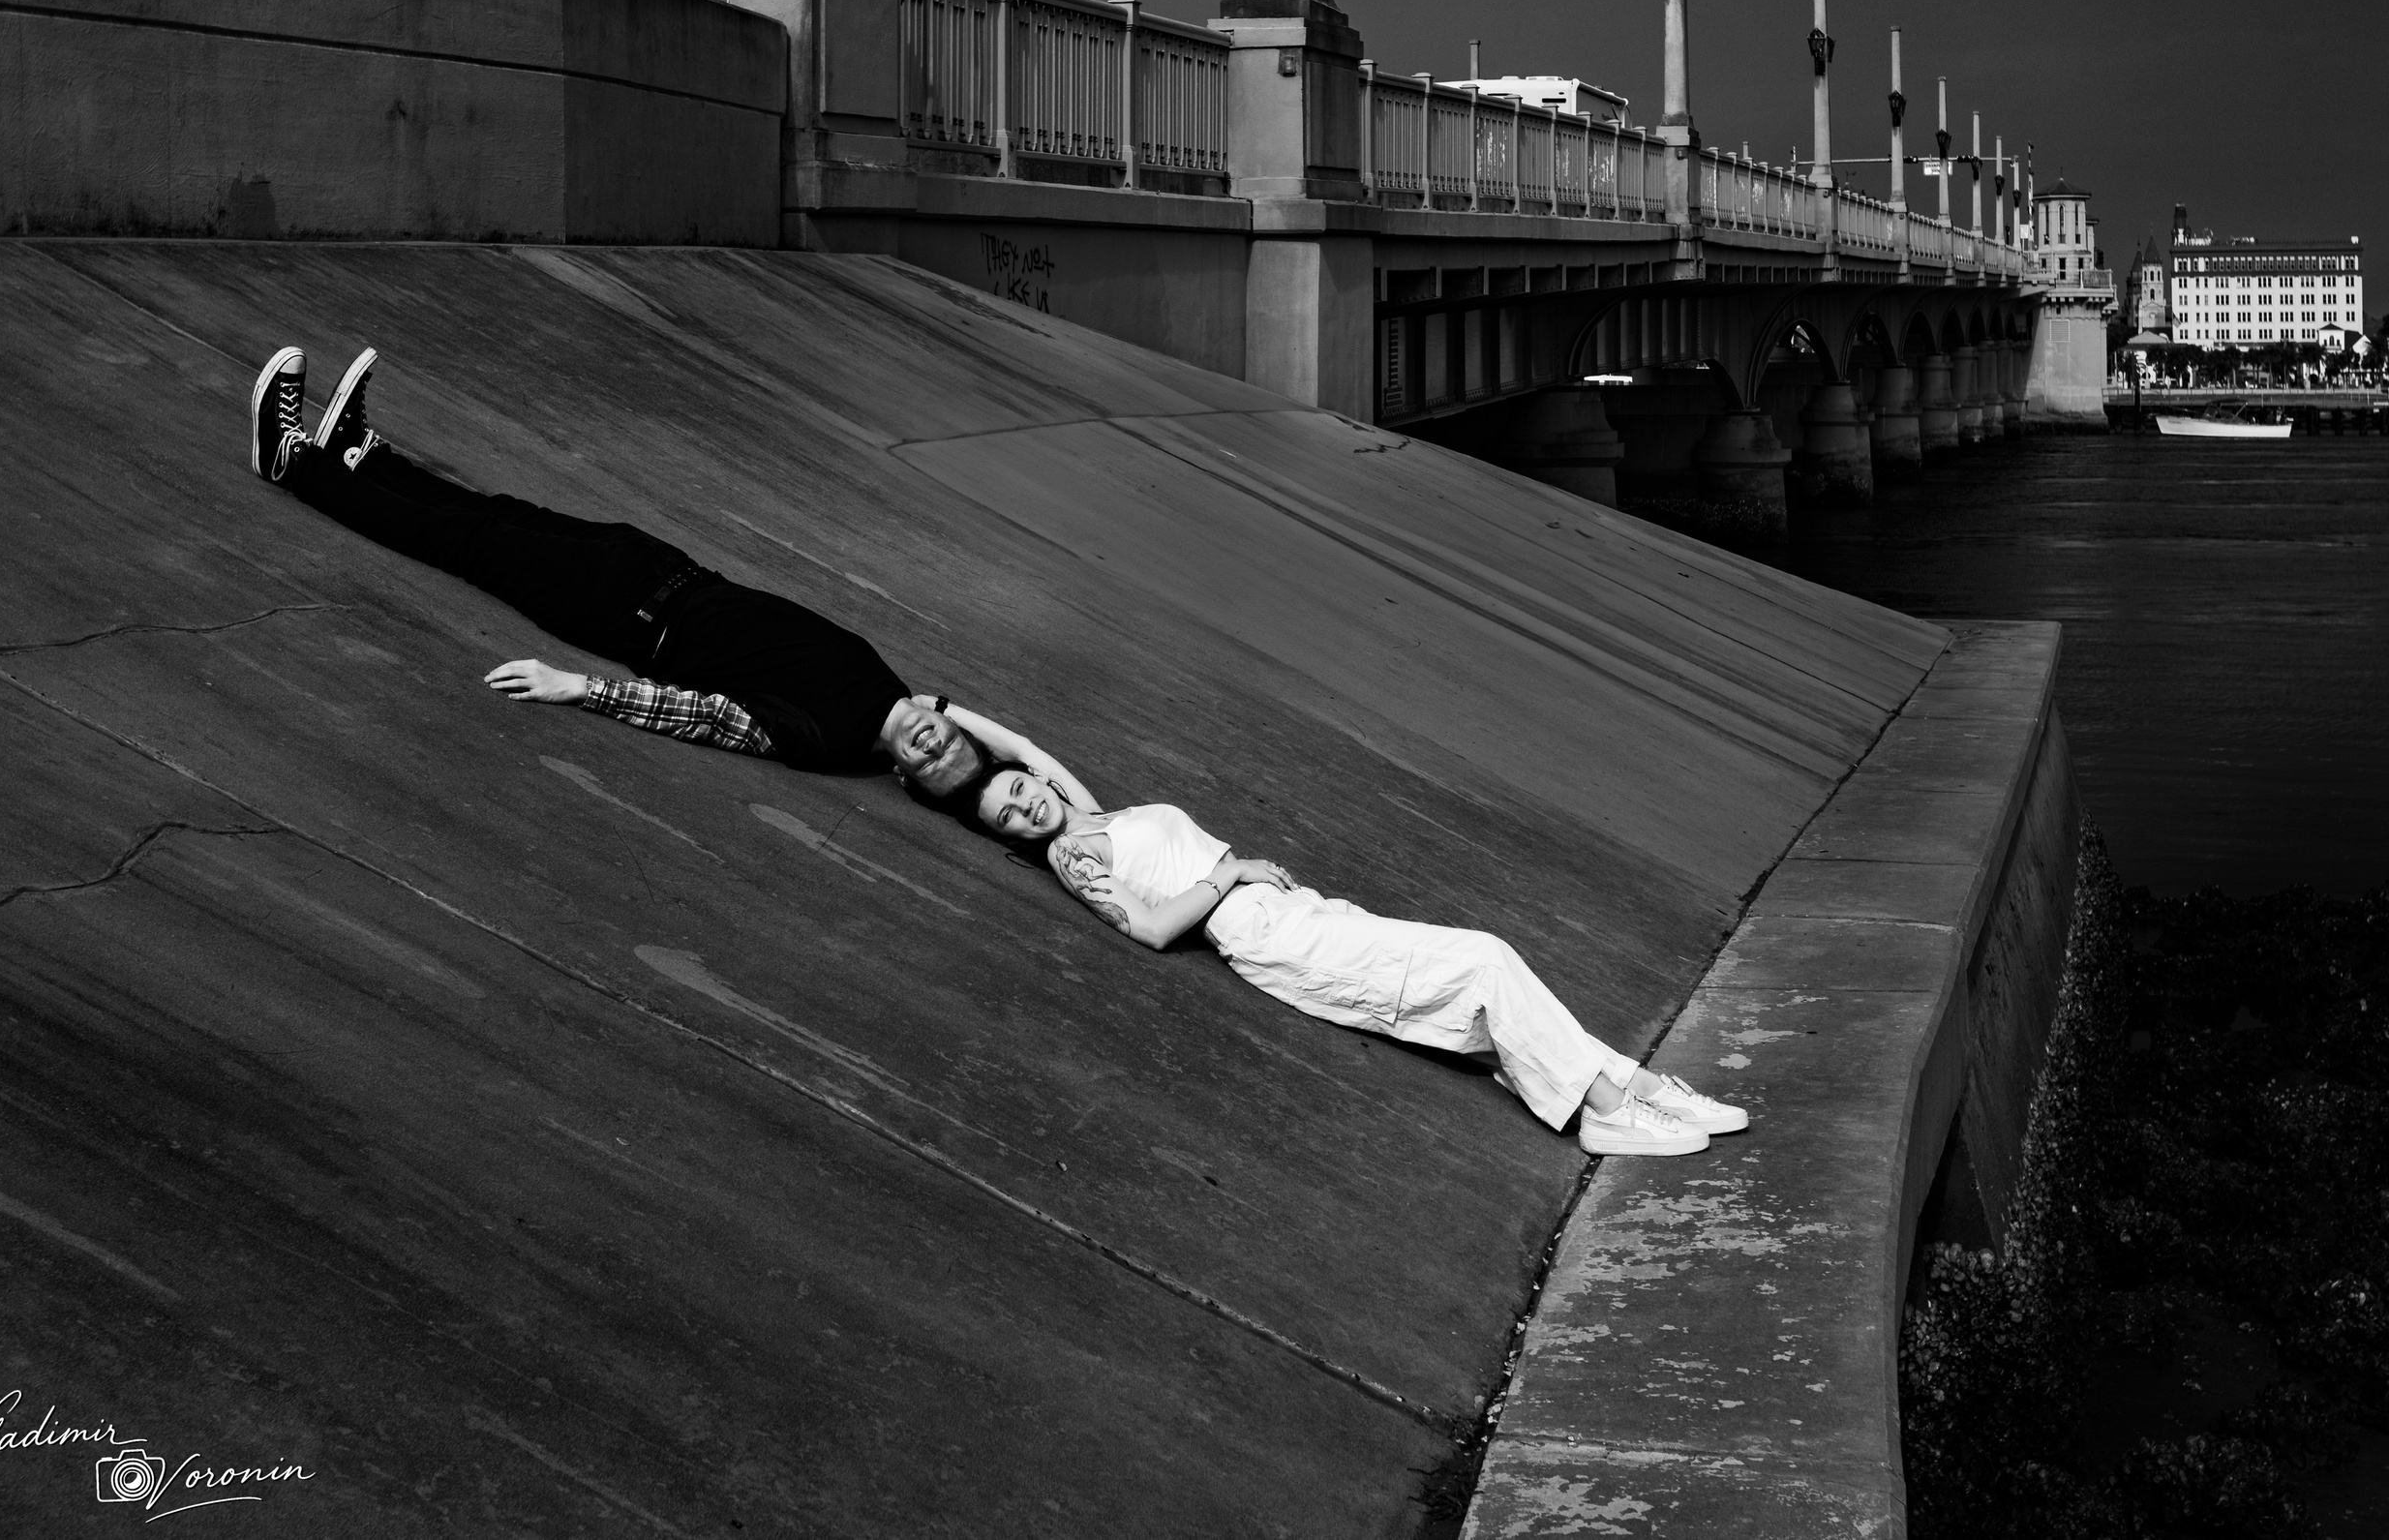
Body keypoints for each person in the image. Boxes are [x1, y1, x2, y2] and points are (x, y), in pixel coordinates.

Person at [246, 346, 1074, 794]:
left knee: (462, 542)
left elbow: (703, 716)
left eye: (932, 767)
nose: (935, 745)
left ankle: (293, 463)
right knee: (497, 514)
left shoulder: (824, 740)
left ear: (908, 776)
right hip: (665, 570)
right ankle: (359, 458)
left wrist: (579, 687)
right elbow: (1013, 744)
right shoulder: (902, 694)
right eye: (951, 744)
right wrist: (1063, 792)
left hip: (624, 615)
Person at [942, 760, 1749, 1157]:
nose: (1025, 806)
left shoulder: (1092, 814)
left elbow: (1021, 747)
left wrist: (947, 713)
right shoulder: (1070, 855)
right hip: (1256, 926)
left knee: (1477, 1001)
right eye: (1007, 817)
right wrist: (1229, 873)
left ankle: (1640, 1089)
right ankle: (1607, 1113)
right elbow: (1150, 929)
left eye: (1018, 788)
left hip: (1295, 910)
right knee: (1484, 961)